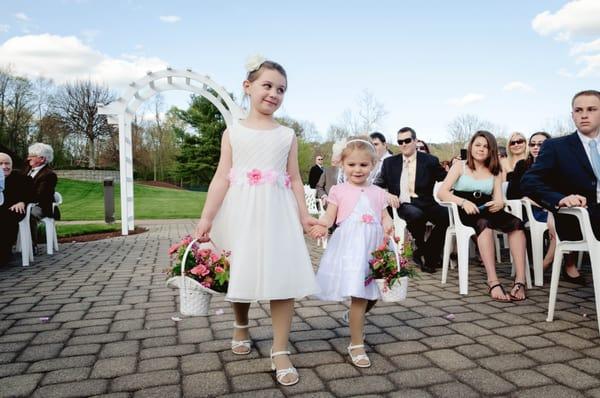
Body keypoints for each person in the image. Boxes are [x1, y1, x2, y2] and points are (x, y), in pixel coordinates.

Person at [193, 57, 318, 386]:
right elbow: (221, 177)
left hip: (277, 212)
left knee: (282, 277)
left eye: (281, 89)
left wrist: (304, 215)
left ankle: (279, 349)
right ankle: (241, 324)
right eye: (267, 85)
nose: (274, 93)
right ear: (247, 87)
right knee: (241, 269)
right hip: (240, 209)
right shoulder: (233, 133)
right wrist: (207, 216)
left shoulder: (287, 135)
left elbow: (293, 179)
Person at [310, 139, 393, 368]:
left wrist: (388, 225)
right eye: (352, 164)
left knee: (374, 292)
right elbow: (329, 216)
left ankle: (355, 319)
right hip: (351, 247)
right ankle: (356, 343)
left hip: (374, 247)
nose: (358, 170)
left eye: (364, 165)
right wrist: (322, 224)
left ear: (373, 165)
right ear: (342, 165)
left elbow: (384, 216)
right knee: (360, 294)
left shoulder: (378, 192)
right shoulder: (338, 190)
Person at [438, 130, 528, 302]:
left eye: (486, 146)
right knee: (484, 224)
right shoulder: (460, 166)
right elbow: (442, 193)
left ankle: (520, 281)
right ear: (471, 146)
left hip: (487, 206)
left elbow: (499, 199)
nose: (481, 149)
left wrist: (499, 204)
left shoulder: (495, 169)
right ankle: (493, 281)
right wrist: (463, 203)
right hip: (465, 209)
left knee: (517, 224)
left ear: (491, 150)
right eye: (477, 145)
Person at [522, 89, 600, 283]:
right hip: (580, 216)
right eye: (578, 110)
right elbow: (529, 181)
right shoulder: (557, 146)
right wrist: (560, 198)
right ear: (572, 115)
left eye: (591, 109)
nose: (584, 115)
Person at [375, 127, 448, 273]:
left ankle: (426, 251)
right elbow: (376, 185)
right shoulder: (390, 163)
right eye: (400, 141)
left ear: (415, 141)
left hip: (427, 202)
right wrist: (387, 195)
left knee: (448, 216)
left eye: (407, 140)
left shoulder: (430, 161)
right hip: (403, 204)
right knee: (415, 214)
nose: (403, 144)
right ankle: (427, 254)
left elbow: (446, 179)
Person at [507, 132, 559, 273]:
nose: (536, 147)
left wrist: (551, 207)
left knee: (566, 218)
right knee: (560, 219)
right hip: (530, 210)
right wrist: (542, 204)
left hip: (554, 208)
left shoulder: (558, 166)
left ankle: (548, 263)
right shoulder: (523, 165)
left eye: (541, 144)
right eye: (533, 144)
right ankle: (546, 265)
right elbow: (513, 194)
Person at [0, 153, 33, 266]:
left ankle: (4, 254)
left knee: (6, 218)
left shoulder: (22, 178)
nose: (4, 166)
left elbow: (32, 194)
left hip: (14, 210)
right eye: (1, 164)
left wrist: (22, 202)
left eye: (7, 163)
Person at [25, 143, 58, 250]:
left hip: (42, 207)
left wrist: (22, 200)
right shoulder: (27, 170)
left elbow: (40, 195)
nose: (28, 158)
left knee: (28, 213)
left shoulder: (49, 175)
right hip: (28, 203)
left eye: (32, 155)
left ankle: (31, 246)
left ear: (42, 159)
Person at [316, 140, 346, 206]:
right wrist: (324, 196)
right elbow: (319, 187)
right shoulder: (327, 171)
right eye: (332, 162)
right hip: (330, 204)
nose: (334, 165)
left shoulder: (350, 172)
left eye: (337, 162)